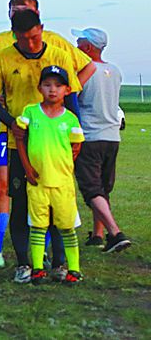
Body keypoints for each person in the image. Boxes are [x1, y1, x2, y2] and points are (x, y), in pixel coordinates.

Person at [0, 0, 95, 270]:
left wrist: (76, 134)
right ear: (13, 34)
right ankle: (25, 264)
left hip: (55, 146)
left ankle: (60, 263)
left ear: (41, 28)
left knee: (58, 205)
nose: (30, 43)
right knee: (22, 203)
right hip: (20, 143)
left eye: (34, 37)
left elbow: (72, 96)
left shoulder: (59, 54)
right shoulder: (3, 57)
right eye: (23, 39)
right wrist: (9, 120)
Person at [14, 66, 85, 285]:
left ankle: (73, 269)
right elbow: (19, 137)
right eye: (47, 85)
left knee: (66, 226)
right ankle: (37, 268)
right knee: (38, 225)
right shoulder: (30, 112)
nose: (52, 90)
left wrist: (62, 167)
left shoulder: (71, 119)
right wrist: (27, 168)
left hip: (62, 183)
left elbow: (76, 147)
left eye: (58, 85)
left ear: (67, 90)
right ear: (39, 88)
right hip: (37, 182)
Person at [71, 27, 131, 253]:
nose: (76, 47)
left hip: (89, 135)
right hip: (112, 136)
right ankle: (97, 234)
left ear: (87, 47)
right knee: (104, 187)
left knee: (91, 187)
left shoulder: (85, 71)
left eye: (79, 43)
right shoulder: (114, 71)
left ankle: (114, 233)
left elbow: (74, 98)